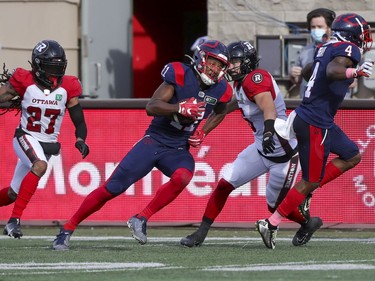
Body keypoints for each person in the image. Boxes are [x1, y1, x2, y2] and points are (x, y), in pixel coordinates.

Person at [52, 39, 233, 250]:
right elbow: (151, 106)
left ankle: (141, 218)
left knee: (183, 176)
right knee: (111, 188)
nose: (215, 69)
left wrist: (203, 131)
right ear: (202, 58)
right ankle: (67, 228)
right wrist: (178, 108)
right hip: (154, 141)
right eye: (212, 62)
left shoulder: (221, 89)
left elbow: (221, 111)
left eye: (220, 66)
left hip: (177, 148)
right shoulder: (180, 73)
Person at [180, 41, 322, 248]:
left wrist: (268, 133)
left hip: (283, 154)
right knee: (224, 185)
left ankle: (308, 223)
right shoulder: (240, 84)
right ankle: (201, 233)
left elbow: (268, 108)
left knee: (274, 206)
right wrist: (203, 129)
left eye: (235, 62)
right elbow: (230, 107)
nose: (231, 67)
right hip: (261, 148)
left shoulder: (256, 78)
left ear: (247, 62)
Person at [256, 13, 373, 249]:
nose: (365, 38)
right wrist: (353, 73)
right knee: (310, 179)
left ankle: (306, 194)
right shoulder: (349, 49)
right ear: (352, 34)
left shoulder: (325, 47)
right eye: (362, 33)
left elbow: (311, 71)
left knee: (352, 155)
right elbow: (332, 71)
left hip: (316, 119)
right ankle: (272, 222)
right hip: (315, 122)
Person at [0, 40, 90, 238]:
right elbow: (3, 95)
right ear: (38, 66)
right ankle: (14, 221)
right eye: (50, 67)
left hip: (47, 144)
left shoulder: (68, 86)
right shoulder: (24, 80)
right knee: (40, 166)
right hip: (25, 136)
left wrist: (81, 139)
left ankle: (13, 218)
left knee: (13, 193)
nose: (54, 73)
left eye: (58, 68)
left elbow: (79, 120)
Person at [289, 8, 336, 98]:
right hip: (308, 103)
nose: (316, 30)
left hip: (330, 103)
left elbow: (352, 83)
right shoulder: (305, 50)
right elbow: (298, 81)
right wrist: (294, 75)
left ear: (330, 28)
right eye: (313, 27)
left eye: (320, 27)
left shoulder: (340, 49)